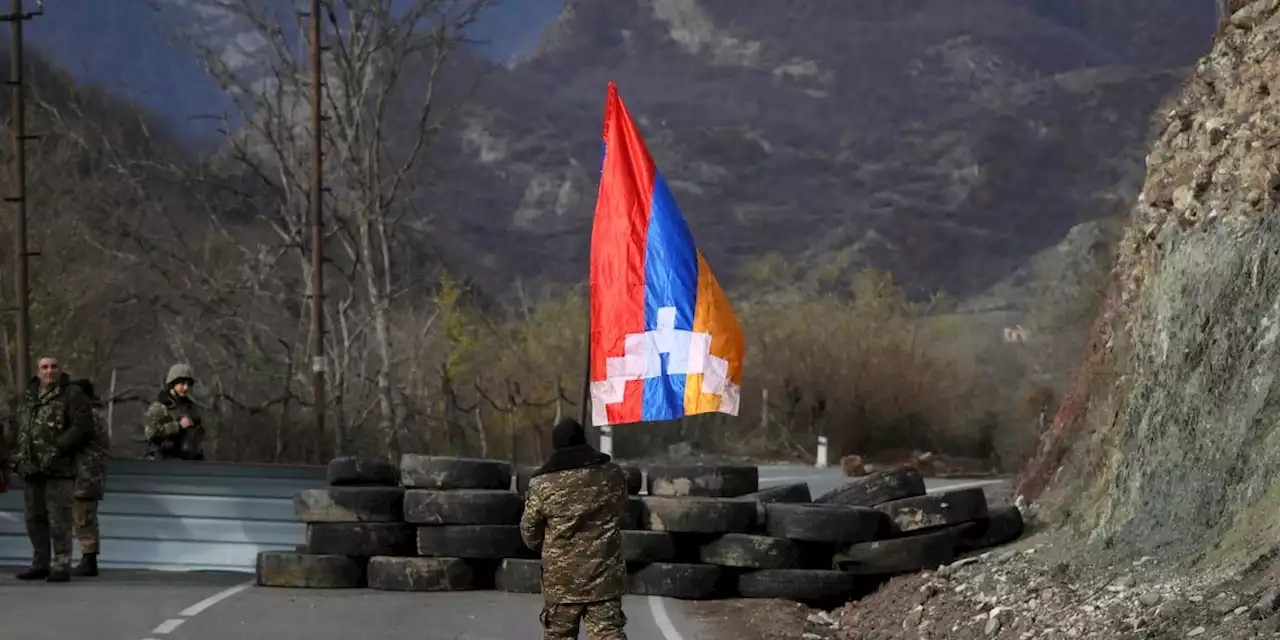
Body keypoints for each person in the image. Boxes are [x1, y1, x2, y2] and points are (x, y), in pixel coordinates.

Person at [520, 418, 630, 640]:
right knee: (608, 634)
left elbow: (529, 531)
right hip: (604, 577)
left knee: (559, 636)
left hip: (562, 581)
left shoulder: (542, 483)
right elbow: (621, 508)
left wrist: (548, 548)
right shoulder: (612, 474)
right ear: (583, 439)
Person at [9, 356, 95, 582]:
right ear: (38, 371)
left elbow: (83, 425)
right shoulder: (27, 396)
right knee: (34, 518)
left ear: (61, 369)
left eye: (54, 367)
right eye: (44, 367)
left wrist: (59, 447)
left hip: (58, 468)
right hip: (30, 468)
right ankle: (40, 563)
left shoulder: (72, 394)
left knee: (59, 519)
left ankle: (61, 563)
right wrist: (15, 458)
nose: (49, 371)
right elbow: (15, 427)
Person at [69, 378, 110, 577]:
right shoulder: (94, 414)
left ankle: (89, 558)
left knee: (83, 516)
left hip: (86, 473)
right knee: (83, 516)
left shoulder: (89, 416)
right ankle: (87, 557)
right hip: (89, 473)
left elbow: (74, 438)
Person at [144, 364, 205, 461]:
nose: (186, 388)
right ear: (173, 383)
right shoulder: (159, 407)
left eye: (188, 384)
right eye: (182, 384)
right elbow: (151, 434)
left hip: (190, 460)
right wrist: (177, 426)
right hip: (165, 460)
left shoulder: (191, 407)